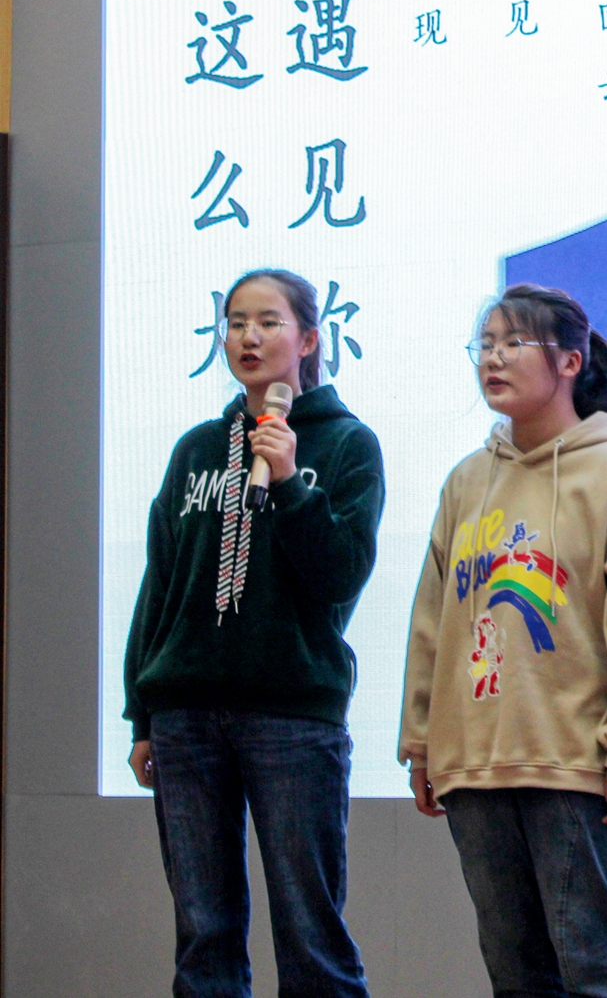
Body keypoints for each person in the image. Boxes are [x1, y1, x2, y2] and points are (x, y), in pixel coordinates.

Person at [400, 284, 607, 998]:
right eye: (485, 345)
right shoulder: (467, 480)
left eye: (513, 343)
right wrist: (423, 741)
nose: (492, 359)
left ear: (569, 361)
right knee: (516, 976)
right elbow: (433, 618)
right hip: (476, 766)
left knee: (600, 969)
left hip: (578, 768)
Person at [123, 268, 384, 998]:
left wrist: (291, 481)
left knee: (311, 936)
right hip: (185, 716)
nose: (247, 336)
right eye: (235, 322)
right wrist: (141, 714)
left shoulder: (348, 444)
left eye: (268, 321)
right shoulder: (196, 449)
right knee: (203, 937)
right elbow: (160, 582)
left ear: (308, 339)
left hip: (292, 715)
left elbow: (340, 574)